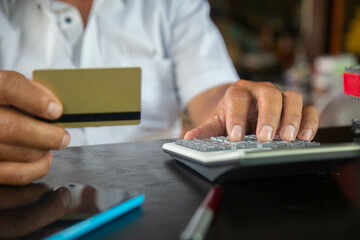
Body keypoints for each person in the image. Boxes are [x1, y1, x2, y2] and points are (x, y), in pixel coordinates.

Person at [0, 0, 318, 185]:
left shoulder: (173, 5)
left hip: (156, 199)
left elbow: (213, 96)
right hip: (22, 199)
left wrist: (240, 108)